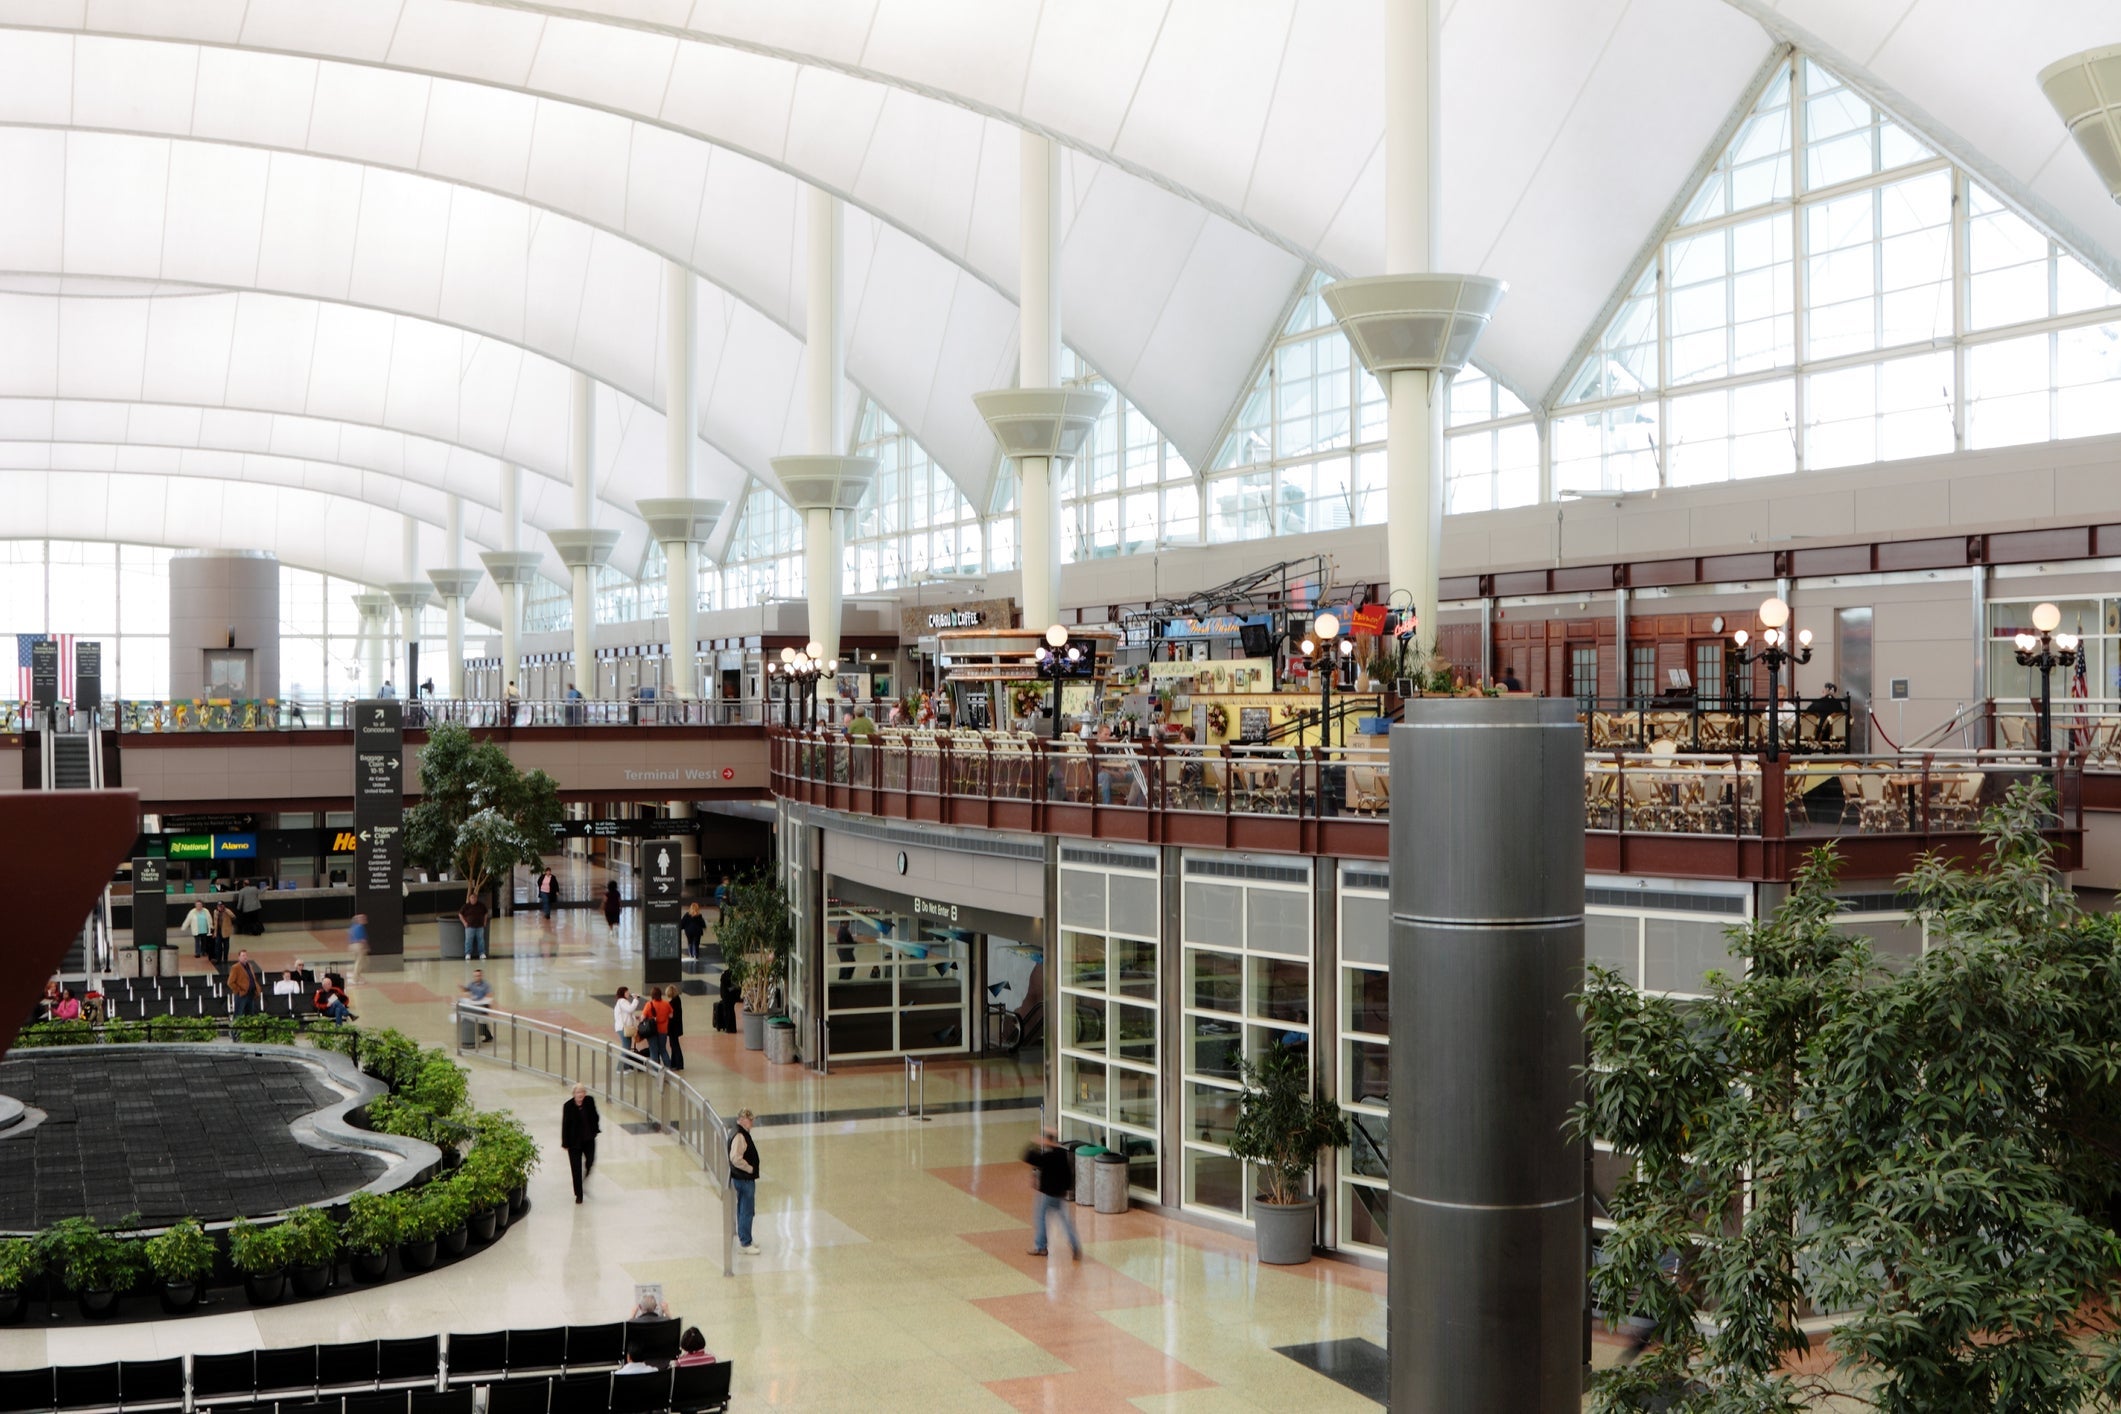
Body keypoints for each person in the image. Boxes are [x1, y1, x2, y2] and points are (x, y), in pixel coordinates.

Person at [1024, 1128, 1082, 1260]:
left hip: (1047, 1194)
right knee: (1065, 1221)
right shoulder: (1062, 1154)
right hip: (1060, 1194)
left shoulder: (1048, 1157)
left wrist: (1034, 1143)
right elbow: (1069, 1174)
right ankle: (1075, 1244)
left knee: (1040, 1218)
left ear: (1047, 1141)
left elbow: (1028, 1156)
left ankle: (1041, 1247)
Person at [560, 1083, 600, 1202]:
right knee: (576, 1168)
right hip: (574, 1142)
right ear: (574, 1094)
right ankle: (579, 1194)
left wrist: (595, 1128)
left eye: (582, 1092)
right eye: (578, 1092)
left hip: (588, 1139)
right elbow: (565, 1125)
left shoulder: (590, 1101)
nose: (580, 1095)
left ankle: (586, 1175)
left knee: (591, 1160)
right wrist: (565, 1143)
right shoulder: (568, 1106)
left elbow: (595, 1116)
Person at [729, 1109, 760, 1254]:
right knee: (747, 1210)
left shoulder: (738, 1132)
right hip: (744, 1179)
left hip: (741, 1178)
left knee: (743, 1209)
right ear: (742, 1119)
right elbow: (735, 1158)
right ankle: (745, 1242)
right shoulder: (740, 1135)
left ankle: (745, 1236)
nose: (752, 1123)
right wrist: (749, 1169)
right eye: (750, 1120)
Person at [640, 985, 672, 1068]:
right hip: (663, 1030)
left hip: (651, 1031)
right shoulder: (666, 1004)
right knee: (663, 1049)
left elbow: (642, 1017)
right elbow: (671, 1015)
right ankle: (668, 1067)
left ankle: (655, 1070)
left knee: (653, 1051)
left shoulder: (649, 1004)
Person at [459, 969, 495, 1042]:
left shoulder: (486, 985)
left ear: (481, 976)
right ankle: (487, 1035)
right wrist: (462, 988)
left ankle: (487, 1036)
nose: (477, 977)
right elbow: (467, 990)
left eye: (478, 976)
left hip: (483, 1006)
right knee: (479, 1022)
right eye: (475, 976)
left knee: (481, 1022)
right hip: (474, 1005)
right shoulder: (472, 984)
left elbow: (490, 994)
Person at [228, 949, 265, 1016]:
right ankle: (237, 1025)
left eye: (246, 955)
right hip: (242, 995)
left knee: (250, 1014)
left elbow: (252, 978)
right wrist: (238, 991)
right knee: (238, 1014)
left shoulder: (249, 966)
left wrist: (257, 988)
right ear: (239, 957)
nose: (245, 957)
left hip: (250, 994)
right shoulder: (235, 967)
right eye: (243, 955)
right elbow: (230, 982)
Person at [458, 891, 490, 960]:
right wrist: (464, 923)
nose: (473, 899)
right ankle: (468, 954)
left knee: (481, 940)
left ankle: (482, 953)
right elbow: (460, 914)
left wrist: (484, 922)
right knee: (468, 940)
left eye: (475, 897)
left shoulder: (481, 905)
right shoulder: (466, 906)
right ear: (469, 898)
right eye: (472, 897)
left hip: (480, 926)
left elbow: (486, 913)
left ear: (477, 898)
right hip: (469, 927)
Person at [664, 983, 686, 1072]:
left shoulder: (671, 1003)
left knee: (674, 1045)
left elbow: (670, 1016)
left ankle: (679, 1064)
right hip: (677, 1026)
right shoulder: (678, 1000)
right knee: (674, 1044)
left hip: (673, 1028)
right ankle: (674, 1063)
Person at [713, 964, 739, 1033]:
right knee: (731, 1011)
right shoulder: (733, 974)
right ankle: (731, 1028)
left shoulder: (725, 974)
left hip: (726, 996)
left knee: (727, 1011)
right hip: (731, 996)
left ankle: (728, 1028)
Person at [213, 898, 236, 966]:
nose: (220, 907)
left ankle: (225, 959)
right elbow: (215, 922)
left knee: (226, 946)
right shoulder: (215, 912)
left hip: (226, 931)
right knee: (218, 946)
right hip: (218, 931)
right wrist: (214, 932)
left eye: (221, 906)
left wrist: (227, 911)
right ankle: (218, 959)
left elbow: (233, 917)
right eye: (218, 906)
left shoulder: (227, 911)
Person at [348, 912, 369, 981]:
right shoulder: (360, 927)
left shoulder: (353, 927)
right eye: (363, 918)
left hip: (352, 945)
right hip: (359, 945)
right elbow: (363, 940)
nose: (365, 919)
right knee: (359, 962)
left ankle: (358, 976)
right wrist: (366, 947)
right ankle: (356, 977)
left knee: (358, 961)